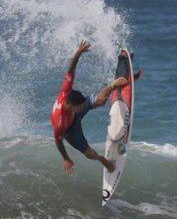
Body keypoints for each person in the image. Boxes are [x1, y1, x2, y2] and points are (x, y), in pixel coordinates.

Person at [50, 40, 141, 174]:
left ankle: (113, 86)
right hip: (70, 130)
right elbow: (58, 142)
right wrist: (66, 159)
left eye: (82, 106)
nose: (82, 109)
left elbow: (70, 70)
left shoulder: (67, 92)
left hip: (72, 112)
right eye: (79, 107)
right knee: (88, 153)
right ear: (69, 105)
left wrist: (78, 53)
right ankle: (103, 160)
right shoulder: (60, 124)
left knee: (100, 101)